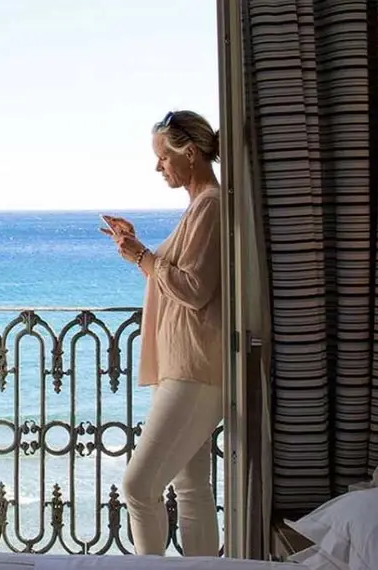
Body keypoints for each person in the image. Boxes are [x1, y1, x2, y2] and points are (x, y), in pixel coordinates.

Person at [100, 110, 223, 557]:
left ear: (188, 153)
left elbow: (193, 289)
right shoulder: (199, 208)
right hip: (187, 365)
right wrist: (137, 250)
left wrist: (141, 257)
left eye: (163, 157)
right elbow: (174, 281)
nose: (159, 167)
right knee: (192, 489)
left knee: (138, 487)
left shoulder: (210, 206)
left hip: (194, 370)